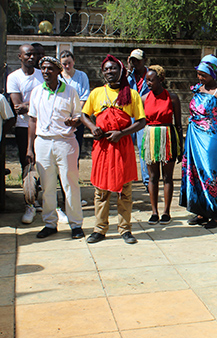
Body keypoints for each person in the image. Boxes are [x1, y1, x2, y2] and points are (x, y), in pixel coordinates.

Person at [81, 55, 146, 244]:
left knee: (125, 190)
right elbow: (84, 115)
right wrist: (93, 128)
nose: (110, 72)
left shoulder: (131, 94)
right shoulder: (96, 93)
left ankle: (125, 229)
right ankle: (99, 229)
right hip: (102, 148)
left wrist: (122, 133)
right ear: (103, 73)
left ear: (121, 71)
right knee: (101, 190)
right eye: (106, 69)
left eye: (113, 69)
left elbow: (141, 122)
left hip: (122, 146)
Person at [26, 57, 84, 239]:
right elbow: (32, 120)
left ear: (59, 71)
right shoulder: (37, 92)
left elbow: (78, 117)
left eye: (50, 69)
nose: (45, 72)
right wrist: (29, 148)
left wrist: (73, 121)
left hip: (65, 142)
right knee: (47, 185)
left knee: (69, 183)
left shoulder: (70, 91)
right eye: (43, 69)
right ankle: (50, 223)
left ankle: (76, 225)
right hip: (42, 142)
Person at [180, 54, 217, 228]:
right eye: (199, 74)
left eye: (204, 75)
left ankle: (215, 214)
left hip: (212, 139)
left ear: (213, 74)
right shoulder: (198, 89)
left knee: (211, 175)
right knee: (195, 172)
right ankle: (201, 211)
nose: (200, 78)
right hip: (194, 137)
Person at [6, 44, 44, 224]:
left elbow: (45, 102)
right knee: (27, 163)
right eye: (28, 54)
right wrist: (35, 104)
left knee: (44, 164)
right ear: (20, 56)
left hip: (43, 127)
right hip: (23, 127)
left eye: (34, 55)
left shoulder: (42, 75)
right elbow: (18, 107)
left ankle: (44, 200)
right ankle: (30, 202)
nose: (31, 57)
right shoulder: (13, 77)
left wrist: (30, 105)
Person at [140, 65, 182, 225]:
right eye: (147, 80)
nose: (148, 83)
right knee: (152, 176)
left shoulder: (172, 98)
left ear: (161, 80)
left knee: (167, 177)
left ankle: (166, 212)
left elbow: (178, 124)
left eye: (151, 80)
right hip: (150, 137)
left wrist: (180, 147)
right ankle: (154, 212)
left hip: (168, 138)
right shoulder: (144, 99)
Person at [59, 49, 90, 211]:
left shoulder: (81, 77)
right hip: (59, 123)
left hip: (76, 123)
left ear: (74, 61)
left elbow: (84, 98)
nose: (67, 66)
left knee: (74, 158)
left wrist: (76, 118)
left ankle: (73, 194)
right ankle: (62, 195)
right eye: (64, 64)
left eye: (69, 63)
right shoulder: (57, 77)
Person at [127, 49, 150, 191]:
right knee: (126, 146)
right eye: (132, 60)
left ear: (144, 61)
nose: (135, 63)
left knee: (144, 148)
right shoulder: (128, 77)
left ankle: (147, 181)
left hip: (144, 115)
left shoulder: (150, 75)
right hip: (129, 115)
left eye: (137, 60)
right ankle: (127, 178)